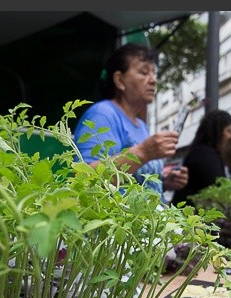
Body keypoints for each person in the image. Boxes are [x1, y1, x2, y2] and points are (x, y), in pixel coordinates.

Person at [72, 43, 188, 197]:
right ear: (120, 80)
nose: (153, 80)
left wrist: (164, 182)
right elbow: (83, 180)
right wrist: (143, 152)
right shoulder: (103, 114)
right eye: (144, 72)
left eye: (154, 73)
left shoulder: (141, 125)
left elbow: (136, 181)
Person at [170, 109, 231, 207]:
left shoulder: (203, 153)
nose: (230, 136)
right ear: (218, 131)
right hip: (190, 217)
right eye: (228, 130)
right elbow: (217, 189)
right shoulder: (205, 156)